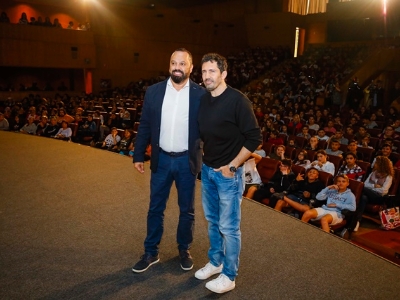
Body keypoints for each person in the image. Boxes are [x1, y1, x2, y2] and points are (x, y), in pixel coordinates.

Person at [131, 48, 206, 274]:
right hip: (161, 160)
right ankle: (151, 252)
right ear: (169, 65)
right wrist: (138, 154)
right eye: (174, 62)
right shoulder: (153, 92)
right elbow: (144, 124)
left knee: (187, 210)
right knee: (155, 208)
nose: (177, 67)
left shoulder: (200, 95)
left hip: (186, 161)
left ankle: (184, 249)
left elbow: (209, 128)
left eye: (182, 64)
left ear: (191, 68)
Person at [195, 52, 262, 293]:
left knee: (229, 227)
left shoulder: (238, 101)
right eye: (204, 71)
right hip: (208, 171)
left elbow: (255, 137)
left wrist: (233, 165)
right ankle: (216, 262)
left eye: (212, 71)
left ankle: (229, 275)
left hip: (228, 175)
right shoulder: (203, 99)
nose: (207, 76)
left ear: (223, 74)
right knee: (213, 222)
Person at [353, 156, 394, 232]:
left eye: (376, 163)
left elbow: (384, 191)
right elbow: (365, 184)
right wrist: (374, 186)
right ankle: (357, 221)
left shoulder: (388, 176)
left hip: (379, 197)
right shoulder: (373, 173)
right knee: (363, 198)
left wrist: (371, 187)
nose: (374, 164)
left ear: (381, 164)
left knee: (361, 188)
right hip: (369, 195)